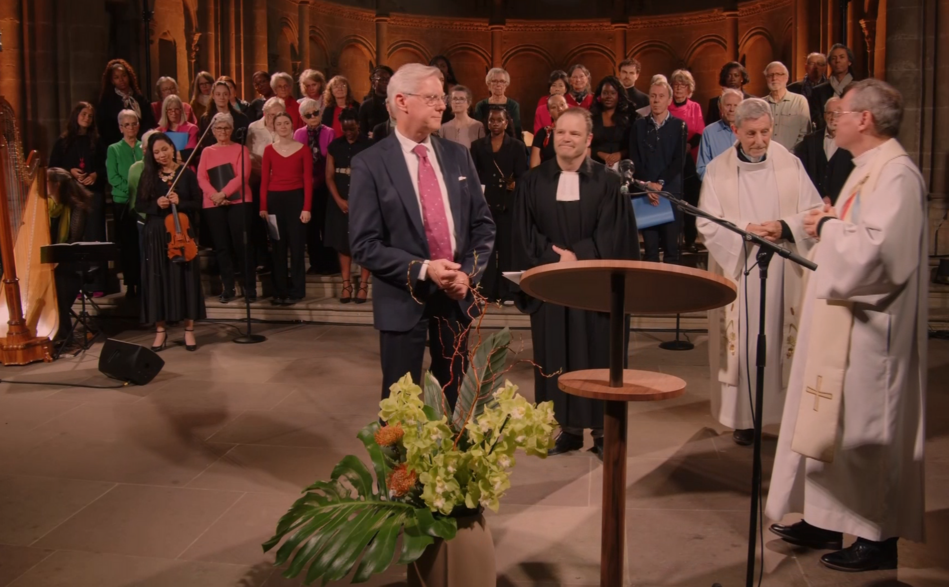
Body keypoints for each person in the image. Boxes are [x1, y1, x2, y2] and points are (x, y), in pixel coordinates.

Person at [766, 79, 926, 573]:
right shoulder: (867, 169)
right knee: (829, 427)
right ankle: (824, 516)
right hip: (844, 325)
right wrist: (826, 224)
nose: (834, 116)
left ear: (866, 120)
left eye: (844, 110)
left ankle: (877, 538)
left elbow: (879, 255)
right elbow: (850, 229)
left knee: (864, 429)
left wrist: (829, 228)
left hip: (872, 333)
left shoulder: (897, 176)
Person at [348, 63, 496, 406]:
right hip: (403, 298)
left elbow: (483, 224)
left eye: (441, 98)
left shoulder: (458, 156)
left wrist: (468, 274)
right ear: (402, 101)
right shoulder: (370, 163)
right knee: (401, 408)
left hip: (455, 295)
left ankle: (453, 461)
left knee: (456, 400)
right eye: (432, 98)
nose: (442, 105)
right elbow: (364, 245)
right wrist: (424, 268)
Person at [512, 107, 637, 457]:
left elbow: (615, 235)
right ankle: (566, 429)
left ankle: (601, 432)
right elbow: (523, 234)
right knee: (555, 358)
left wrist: (577, 255)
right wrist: (557, 259)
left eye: (575, 134)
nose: (566, 138)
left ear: (589, 140)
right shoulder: (532, 182)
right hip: (551, 287)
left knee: (597, 356)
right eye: (561, 132)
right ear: (552, 135)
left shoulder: (610, 183)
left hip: (593, 289)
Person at [696, 97, 822, 446]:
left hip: (783, 268)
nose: (760, 140)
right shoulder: (717, 169)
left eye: (765, 132)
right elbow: (707, 223)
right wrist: (745, 230)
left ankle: (780, 416)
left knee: (779, 342)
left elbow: (813, 213)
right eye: (751, 133)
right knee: (745, 347)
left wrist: (784, 227)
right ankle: (744, 419)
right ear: (735, 131)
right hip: (740, 271)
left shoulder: (790, 164)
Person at [137, 132, 206, 352]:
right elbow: (139, 205)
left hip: (181, 233)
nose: (161, 155)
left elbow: (197, 203)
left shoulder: (185, 174)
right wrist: (157, 204)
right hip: (156, 234)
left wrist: (181, 201)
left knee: (185, 280)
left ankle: (189, 330)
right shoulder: (148, 175)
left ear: (171, 147)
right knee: (158, 281)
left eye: (164, 149)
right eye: (156, 152)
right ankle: (160, 331)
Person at [471, 105, 528, 304]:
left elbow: (523, 175)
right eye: (491, 120)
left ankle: (508, 292)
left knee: (507, 249)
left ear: (506, 122)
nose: (495, 123)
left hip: (508, 204)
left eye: (499, 120)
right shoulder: (477, 146)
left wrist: (514, 184)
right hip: (485, 204)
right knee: (486, 248)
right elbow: (473, 175)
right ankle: (486, 292)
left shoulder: (517, 146)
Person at [50, 101, 108, 296]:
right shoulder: (63, 141)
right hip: (73, 195)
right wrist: (70, 172)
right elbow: (52, 168)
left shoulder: (98, 141)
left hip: (93, 194)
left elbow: (105, 166)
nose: (87, 118)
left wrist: (95, 175)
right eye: (83, 114)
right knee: (74, 237)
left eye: (90, 116)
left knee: (95, 236)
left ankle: (97, 284)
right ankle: (76, 285)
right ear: (75, 116)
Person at [197, 113, 255, 304]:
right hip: (213, 204)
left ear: (231, 129)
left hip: (238, 202)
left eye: (226, 128)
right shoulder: (206, 151)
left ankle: (249, 288)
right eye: (219, 128)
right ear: (212, 131)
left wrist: (223, 194)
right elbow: (201, 178)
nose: (223, 131)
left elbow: (243, 176)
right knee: (221, 247)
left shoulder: (241, 149)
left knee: (242, 246)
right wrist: (216, 196)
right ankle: (228, 288)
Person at [629, 75, 686, 264]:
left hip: (669, 192)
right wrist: (648, 186)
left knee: (671, 250)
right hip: (646, 194)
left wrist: (660, 184)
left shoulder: (679, 126)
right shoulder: (639, 126)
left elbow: (679, 160)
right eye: (653, 96)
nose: (656, 100)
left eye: (661, 96)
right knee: (650, 251)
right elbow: (635, 158)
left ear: (669, 100)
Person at [259, 112, 312, 305]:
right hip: (274, 202)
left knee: (297, 247)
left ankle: (297, 291)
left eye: (286, 123)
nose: (282, 126)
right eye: (279, 123)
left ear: (292, 125)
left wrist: (306, 208)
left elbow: (307, 180)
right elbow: (264, 180)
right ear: (274, 127)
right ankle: (280, 291)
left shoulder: (303, 150)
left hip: (296, 199)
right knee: (278, 247)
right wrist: (263, 206)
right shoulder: (269, 150)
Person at [326, 109, 372, 304]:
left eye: (352, 128)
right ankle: (346, 285)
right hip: (340, 200)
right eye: (345, 129)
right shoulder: (335, 146)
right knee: (343, 243)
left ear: (358, 125)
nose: (349, 132)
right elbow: (329, 176)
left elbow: (373, 175)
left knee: (364, 241)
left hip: (363, 202)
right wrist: (339, 200)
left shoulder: (369, 145)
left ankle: (363, 285)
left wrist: (359, 202)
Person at [293, 98, 339, 275]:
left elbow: (330, 158)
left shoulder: (330, 132)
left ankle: (331, 263)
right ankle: (315, 263)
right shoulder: (298, 134)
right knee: (311, 227)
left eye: (315, 113)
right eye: (308, 115)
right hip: (306, 187)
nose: (313, 117)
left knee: (326, 225)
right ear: (302, 117)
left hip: (325, 184)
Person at [47, 168, 92, 341]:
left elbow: (73, 239)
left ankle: (62, 336)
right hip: (50, 262)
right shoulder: (46, 207)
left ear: (56, 185)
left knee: (58, 284)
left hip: (71, 262)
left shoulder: (76, 207)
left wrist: (57, 260)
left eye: (46, 182)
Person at [106, 109, 144, 297]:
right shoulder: (113, 149)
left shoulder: (143, 146)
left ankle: (144, 283)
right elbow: (113, 177)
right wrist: (131, 192)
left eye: (134, 123)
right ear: (121, 127)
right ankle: (131, 285)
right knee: (128, 245)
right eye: (127, 124)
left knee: (142, 244)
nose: (131, 128)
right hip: (123, 203)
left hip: (143, 203)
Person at [793, 96, 855, 206]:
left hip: (842, 205)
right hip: (813, 204)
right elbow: (802, 173)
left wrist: (833, 198)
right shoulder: (810, 141)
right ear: (824, 115)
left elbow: (853, 178)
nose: (833, 117)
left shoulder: (852, 143)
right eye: (829, 113)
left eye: (837, 113)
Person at [97, 59, 155, 147]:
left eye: (124, 75)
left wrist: (139, 140)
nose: (121, 80)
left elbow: (149, 122)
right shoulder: (107, 102)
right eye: (117, 77)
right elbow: (105, 129)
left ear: (129, 76)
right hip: (118, 146)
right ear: (112, 81)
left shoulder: (140, 99)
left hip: (141, 145)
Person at [763, 61, 811, 150]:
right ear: (766, 78)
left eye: (778, 74)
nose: (774, 78)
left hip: (792, 157)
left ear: (786, 78)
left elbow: (805, 133)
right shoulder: (761, 104)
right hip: (766, 158)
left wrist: (790, 155)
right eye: (770, 75)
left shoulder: (800, 101)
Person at [697, 88, 742, 180]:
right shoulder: (709, 132)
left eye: (735, 105)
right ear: (720, 107)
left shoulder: (749, 131)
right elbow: (701, 169)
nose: (732, 109)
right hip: (717, 189)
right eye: (728, 105)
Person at [589, 76, 633, 168]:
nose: (608, 97)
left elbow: (634, 145)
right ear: (599, 95)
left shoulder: (629, 117)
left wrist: (620, 154)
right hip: (596, 165)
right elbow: (587, 145)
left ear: (619, 95)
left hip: (623, 166)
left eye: (613, 93)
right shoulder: (592, 117)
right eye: (605, 93)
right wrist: (603, 155)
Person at [811, 44, 858, 126]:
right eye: (833, 58)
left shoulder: (859, 89)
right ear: (829, 63)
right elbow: (817, 118)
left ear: (849, 61)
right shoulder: (818, 91)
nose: (837, 61)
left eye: (841, 57)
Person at [198, 80, 251, 153]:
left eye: (225, 94)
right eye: (218, 94)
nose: (222, 97)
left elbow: (245, 142)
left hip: (235, 156)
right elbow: (203, 144)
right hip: (213, 157)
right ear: (213, 96)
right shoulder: (205, 119)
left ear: (229, 95)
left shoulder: (241, 118)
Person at [474, 68, 523, 138]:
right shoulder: (480, 105)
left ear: (506, 85)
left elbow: (516, 130)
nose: (498, 84)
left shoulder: (514, 105)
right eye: (494, 81)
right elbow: (478, 130)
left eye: (502, 81)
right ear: (488, 84)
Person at [788, 52, 828, 125]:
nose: (816, 67)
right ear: (806, 66)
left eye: (819, 64)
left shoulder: (830, 88)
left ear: (825, 67)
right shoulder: (792, 89)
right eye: (812, 64)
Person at [530, 94, 568, 168]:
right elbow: (534, 166)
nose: (559, 109)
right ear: (549, 113)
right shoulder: (543, 133)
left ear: (568, 107)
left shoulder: (578, 131)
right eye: (554, 107)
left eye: (562, 104)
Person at [359, 66, 394, 140]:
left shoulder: (396, 103)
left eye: (388, 79)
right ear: (373, 83)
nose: (385, 82)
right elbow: (362, 132)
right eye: (382, 79)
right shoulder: (366, 106)